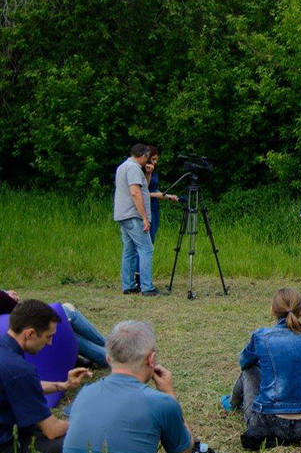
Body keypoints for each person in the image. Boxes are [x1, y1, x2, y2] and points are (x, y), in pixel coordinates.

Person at [63, 320, 234, 453]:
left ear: (108, 358)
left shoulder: (84, 394)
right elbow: (183, 452)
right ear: (151, 359)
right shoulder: (159, 402)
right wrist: (170, 395)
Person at [226, 288, 301, 450]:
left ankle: (232, 403)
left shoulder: (261, 336)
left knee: (249, 369)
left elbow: (244, 362)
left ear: (272, 310)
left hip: (269, 422)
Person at [0, 300, 91, 453]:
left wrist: (61, 386)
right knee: (86, 441)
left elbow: (20, 386)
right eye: (48, 337)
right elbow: (53, 430)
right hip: (5, 448)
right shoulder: (20, 370)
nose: (50, 343)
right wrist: (85, 422)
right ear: (30, 333)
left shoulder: (5, 350)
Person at [0, 291, 107, 368]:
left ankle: (109, 351)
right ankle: (110, 351)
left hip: (13, 324)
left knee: (64, 322)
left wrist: (7, 293)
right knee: (67, 313)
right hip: (14, 328)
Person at [113, 143, 161, 296]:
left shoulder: (123, 166)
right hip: (133, 215)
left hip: (123, 214)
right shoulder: (134, 168)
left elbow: (143, 188)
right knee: (146, 249)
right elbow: (135, 192)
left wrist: (147, 174)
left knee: (129, 250)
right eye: (146, 158)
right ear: (142, 157)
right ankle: (147, 287)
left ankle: (128, 285)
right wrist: (144, 217)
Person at [143, 145, 179, 243]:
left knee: (153, 236)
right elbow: (143, 191)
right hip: (146, 207)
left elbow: (154, 189)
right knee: (147, 240)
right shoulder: (141, 171)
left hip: (155, 207)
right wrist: (148, 173)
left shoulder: (154, 171)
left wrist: (168, 196)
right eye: (153, 159)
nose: (155, 162)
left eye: (156, 160)